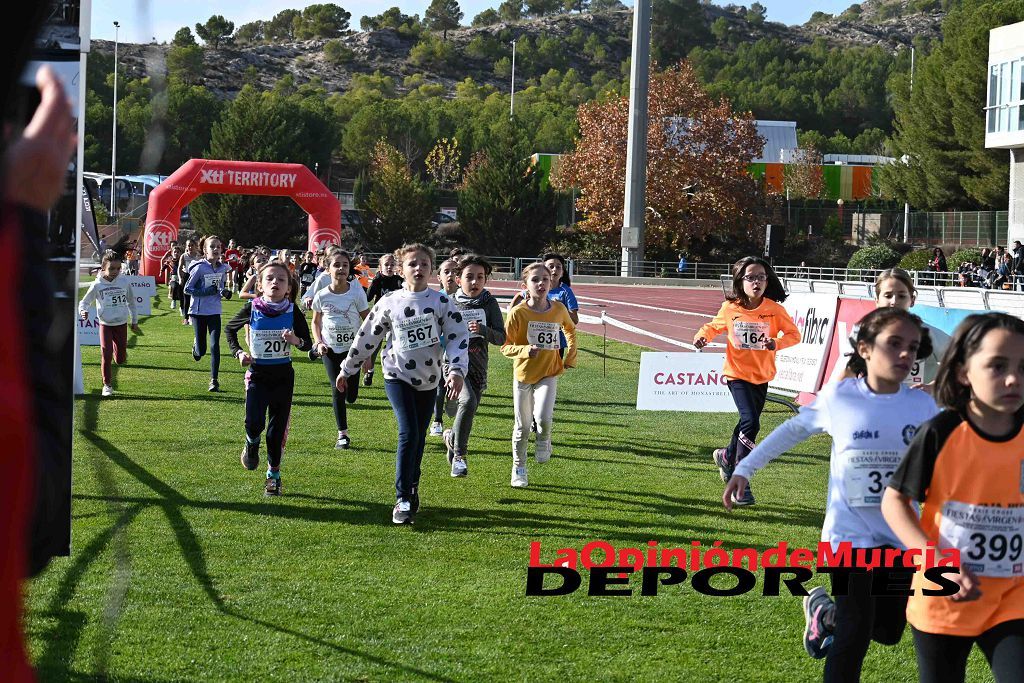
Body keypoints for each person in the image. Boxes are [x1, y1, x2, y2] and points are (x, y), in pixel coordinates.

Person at [724, 308, 938, 679]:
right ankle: (839, 618)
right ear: (866, 349)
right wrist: (745, 467)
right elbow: (792, 430)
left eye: (912, 347)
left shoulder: (922, 405)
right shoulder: (840, 398)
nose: (905, 354)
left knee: (887, 631)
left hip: (901, 536)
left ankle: (825, 614)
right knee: (854, 634)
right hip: (847, 536)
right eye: (894, 344)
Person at [882, 312, 1024, 683]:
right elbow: (894, 502)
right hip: (945, 595)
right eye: (997, 366)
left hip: (1014, 598)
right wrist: (934, 561)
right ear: (963, 372)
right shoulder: (940, 433)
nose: (1013, 378)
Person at [335, 243, 469, 524]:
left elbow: (458, 337)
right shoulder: (390, 301)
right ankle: (402, 498)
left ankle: (412, 485)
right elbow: (367, 336)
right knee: (408, 432)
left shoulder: (441, 303)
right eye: (412, 264)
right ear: (401, 269)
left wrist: (455, 371)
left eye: (424, 264)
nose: (418, 268)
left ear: (431, 269)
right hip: (397, 375)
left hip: (430, 378)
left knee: (419, 438)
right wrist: (348, 368)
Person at [694, 256, 801, 506]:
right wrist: (702, 337)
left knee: (746, 423)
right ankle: (740, 479)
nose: (757, 282)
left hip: (761, 376)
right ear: (740, 281)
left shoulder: (774, 309)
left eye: (761, 277)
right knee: (751, 422)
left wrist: (777, 343)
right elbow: (713, 327)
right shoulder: (730, 308)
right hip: (736, 374)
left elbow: (795, 334)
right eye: (751, 277)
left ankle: (726, 456)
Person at [225, 261, 312, 496]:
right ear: (260, 286)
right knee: (254, 423)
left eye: (281, 280)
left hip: (283, 376)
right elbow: (229, 330)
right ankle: (251, 444)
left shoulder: (293, 312)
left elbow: (308, 344)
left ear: (288, 288)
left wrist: (296, 341)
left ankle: (273, 474)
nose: (275, 282)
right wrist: (239, 352)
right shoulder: (251, 308)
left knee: (276, 430)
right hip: (257, 374)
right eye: (270, 279)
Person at [501, 262, 578, 488]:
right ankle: (519, 467)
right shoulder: (518, 313)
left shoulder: (558, 309)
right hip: (523, 374)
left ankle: (544, 440)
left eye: (545, 279)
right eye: (535, 280)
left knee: (543, 419)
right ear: (525, 285)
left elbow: (570, 330)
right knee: (523, 426)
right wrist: (524, 350)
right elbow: (505, 346)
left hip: (549, 371)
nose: (541, 283)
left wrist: (570, 357)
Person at [443, 254, 506, 477]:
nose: (475, 282)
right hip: (453, 364)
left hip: (478, 364)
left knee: (470, 408)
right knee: (467, 401)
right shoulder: (448, 302)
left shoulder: (489, 303)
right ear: (458, 279)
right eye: (469, 277)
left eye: (480, 277)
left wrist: (483, 330)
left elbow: (501, 338)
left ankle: (451, 438)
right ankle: (460, 456)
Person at [311, 250, 369, 449]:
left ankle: (354, 385)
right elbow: (315, 322)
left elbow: (367, 321)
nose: (341, 269)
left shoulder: (356, 292)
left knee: (351, 395)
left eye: (345, 265)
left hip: (352, 350)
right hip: (330, 350)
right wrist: (319, 342)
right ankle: (342, 435)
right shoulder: (322, 295)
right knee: (337, 390)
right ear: (328, 269)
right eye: (336, 265)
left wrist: (366, 351)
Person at [78, 250, 142, 397]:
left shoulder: (124, 282)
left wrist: (135, 320)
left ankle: (118, 352)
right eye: (111, 268)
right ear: (103, 269)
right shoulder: (97, 285)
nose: (115, 271)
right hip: (105, 323)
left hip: (120, 323)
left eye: (118, 268)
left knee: (120, 360)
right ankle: (107, 385)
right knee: (105, 353)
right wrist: (83, 311)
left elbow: (131, 302)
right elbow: (84, 302)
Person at [183, 235, 232, 392]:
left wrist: (224, 291)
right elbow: (187, 289)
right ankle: (196, 346)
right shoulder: (199, 267)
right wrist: (204, 291)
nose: (216, 249)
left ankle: (214, 381)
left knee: (215, 345)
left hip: (214, 311)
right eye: (212, 246)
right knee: (202, 351)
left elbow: (218, 286)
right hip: (198, 312)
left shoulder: (223, 268)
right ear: (204, 250)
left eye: (218, 246)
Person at [430, 257, 462, 437]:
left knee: (454, 386)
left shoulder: (463, 299)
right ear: (439, 277)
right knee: (439, 384)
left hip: (458, 350)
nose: (451, 275)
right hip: (439, 350)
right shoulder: (435, 299)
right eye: (446, 272)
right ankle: (437, 421)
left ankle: (453, 401)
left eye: (455, 272)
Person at [360, 253, 402, 387]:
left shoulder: (399, 280)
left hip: (395, 319)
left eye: (392, 264)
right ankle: (370, 370)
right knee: (375, 346)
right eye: (386, 264)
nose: (389, 267)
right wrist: (375, 280)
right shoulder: (378, 280)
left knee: (395, 346)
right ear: (380, 267)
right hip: (380, 317)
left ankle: (394, 374)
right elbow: (368, 297)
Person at [177, 238, 201, 325]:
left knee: (194, 298)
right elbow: (179, 268)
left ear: (195, 246)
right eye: (188, 245)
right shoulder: (184, 256)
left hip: (196, 278)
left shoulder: (198, 256)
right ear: (186, 247)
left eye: (192, 245)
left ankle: (193, 317)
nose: (190, 247)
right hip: (186, 277)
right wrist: (180, 278)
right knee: (186, 299)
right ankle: (186, 318)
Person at [162, 244, 182, 311]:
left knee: (181, 291)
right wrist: (161, 271)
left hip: (181, 277)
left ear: (180, 253)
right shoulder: (170, 260)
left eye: (178, 252)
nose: (176, 253)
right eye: (175, 252)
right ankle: (173, 301)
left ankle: (181, 306)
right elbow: (165, 266)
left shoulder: (182, 260)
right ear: (172, 253)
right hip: (174, 277)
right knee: (174, 286)